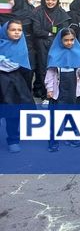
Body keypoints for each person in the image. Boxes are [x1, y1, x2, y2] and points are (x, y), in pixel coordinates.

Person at [45, 28, 80, 152]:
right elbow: (50, 74)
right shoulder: (55, 54)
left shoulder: (78, 53)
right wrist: (49, 89)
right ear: (60, 40)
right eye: (66, 40)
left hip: (74, 91)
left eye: (72, 40)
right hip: (59, 92)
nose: (69, 42)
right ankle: (53, 140)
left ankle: (71, 136)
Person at [0, 20, 34, 153]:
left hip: (14, 83)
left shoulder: (21, 45)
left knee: (13, 113)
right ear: (5, 31)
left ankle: (13, 139)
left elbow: (25, 68)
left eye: (19, 30)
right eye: (13, 30)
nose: (16, 33)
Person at [31, 0, 71, 100]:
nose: (50, 2)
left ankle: (57, 93)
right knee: (43, 68)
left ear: (57, 0)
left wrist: (51, 34)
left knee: (56, 68)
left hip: (57, 45)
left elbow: (64, 30)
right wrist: (50, 33)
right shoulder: (38, 11)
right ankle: (45, 94)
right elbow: (36, 30)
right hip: (41, 45)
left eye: (53, 0)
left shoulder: (61, 13)